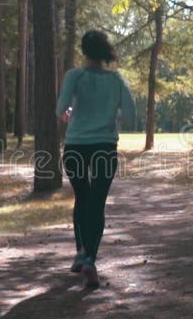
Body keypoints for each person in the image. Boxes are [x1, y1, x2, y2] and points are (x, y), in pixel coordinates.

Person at [56, 30, 135, 289]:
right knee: (97, 203)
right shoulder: (116, 80)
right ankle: (89, 258)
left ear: (84, 50)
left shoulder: (75, 76)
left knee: (82, 197)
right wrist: (109, 119)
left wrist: (71, 114)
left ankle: (81, 253)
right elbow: (131, 114)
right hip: (104, 146)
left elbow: (61, 110)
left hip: (76, 145)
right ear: (105, 51)